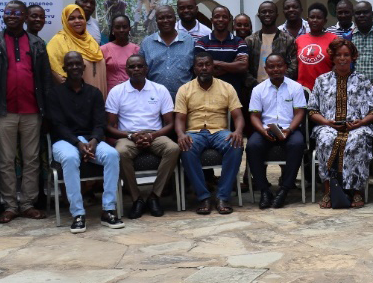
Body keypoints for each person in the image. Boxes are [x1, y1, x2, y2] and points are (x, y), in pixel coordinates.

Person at [0, 0, 52, 223]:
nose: (11, 16)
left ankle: (28, 204)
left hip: (32, 113)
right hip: (3, 113)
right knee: (6, 161)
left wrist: (47, 113)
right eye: (8, 12)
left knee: (32, 160)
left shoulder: (38, 44)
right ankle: (9, 205)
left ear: (25, 17)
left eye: (17, 13)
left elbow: (46, 81)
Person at [46, 51, 125, 232]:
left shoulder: (94, 93)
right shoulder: (55, 94)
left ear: (83, 67)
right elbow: (58, 125)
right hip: (64, 141)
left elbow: (100, 123)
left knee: (112, 154)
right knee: (71, 158)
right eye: (70, 64)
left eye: (78, 64)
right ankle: (78, 214)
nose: (74, 67)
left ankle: (108, 210)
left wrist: (94, 141)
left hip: (91, 141)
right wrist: (77, 144)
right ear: (64, 68)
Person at [105, 54, 180, 218]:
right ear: (126, 70)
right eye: (132, 67)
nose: (136, 69)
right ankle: (136, 198)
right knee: (120, 153)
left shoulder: (159, 89)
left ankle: (155, 196)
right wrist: (131, 135)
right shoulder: (117, 92)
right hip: (128, 136)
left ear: (146, 69)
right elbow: (109, 126)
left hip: (155, 134)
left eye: (140, 66)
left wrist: (152, 137)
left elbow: (170, 123)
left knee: (173, 148)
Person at [309, 38, 373, 208]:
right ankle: (328, 190)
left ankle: (357, 190)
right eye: (338, 55)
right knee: (326, 139)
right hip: (328, 126)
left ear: (353, 57)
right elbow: (312, 110)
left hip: (358, 127)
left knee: (356, 140)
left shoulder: (362, 80)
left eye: (346, 55)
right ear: (332, 57)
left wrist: (362, 122)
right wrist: (327, 122)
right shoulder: (321, 80)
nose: (342, 58)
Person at [175, 52, 245, 215]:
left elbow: (238, 116)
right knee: (186, 148)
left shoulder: (226, 87)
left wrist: (238, 131)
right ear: (194, 69)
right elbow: (179, 119)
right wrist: (181, 135)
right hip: (195, 133)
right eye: (200, 65)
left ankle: (222, 197)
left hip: (220, 132)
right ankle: (203, 197)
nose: (204, 68)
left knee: (235, 146)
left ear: (213, 67)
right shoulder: (184, 89)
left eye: (207, 64)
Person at [247, 54, 308, 209]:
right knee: (252, 146)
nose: (276, 69)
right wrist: (262, 131)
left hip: (289, 129)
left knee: (298, 144)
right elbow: (254, 116)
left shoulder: (296, 87)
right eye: (272, 67)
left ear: (285, 67)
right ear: (266, 69)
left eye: (279, 66)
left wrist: (289, 129)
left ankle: (284, 190)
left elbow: (300, 113)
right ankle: (264, 190)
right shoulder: (258, 89)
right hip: (266, 129)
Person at [47, 3, 107, 96]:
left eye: (80, 17)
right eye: (72, 18)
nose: (77, 21)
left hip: (97, 94)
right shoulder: (58, 41)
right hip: (75, 96)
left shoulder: (91, 41)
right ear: (65, 21)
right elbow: (57, 74)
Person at [195, 6, 249, 105]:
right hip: (208, 93)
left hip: (233, 93)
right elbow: (201, 69)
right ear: (212, 20)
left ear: (229, 20)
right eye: (217, 16)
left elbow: (242, 66)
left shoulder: (239, 42)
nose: (220, 19)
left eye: (224, 17)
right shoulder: (202, 42)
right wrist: (232, 64)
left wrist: (216, 63)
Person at [140, 5, 195, 99]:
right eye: (161, 18)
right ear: (156, 21)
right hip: (154, 98)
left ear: (175, 18)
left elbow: (195, 69)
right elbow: (142, 71)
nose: (166, 20)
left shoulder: (189, 41)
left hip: (185, 98)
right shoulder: (147, 42)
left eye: (169, 17)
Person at [246, 0, 298, 85]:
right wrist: (256, 85)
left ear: (277, 15)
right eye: (264, 12)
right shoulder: (250, 40)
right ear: (259, 16)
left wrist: (278, 82)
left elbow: (293, 66)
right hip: (255, 88)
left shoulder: (288, 39)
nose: (267, 14)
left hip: (282, 87)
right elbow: (245, 68)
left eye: (271, 12)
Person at [294, 3, 338, 90]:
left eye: (319, 18)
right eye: (312, 17)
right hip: (302, 89)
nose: (315, 20)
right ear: (307, 20)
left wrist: (329, 83)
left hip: (325, 88)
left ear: (325, 21)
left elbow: (337, 64)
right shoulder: (299, 40)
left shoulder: (333, 39)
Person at [101, 15, 140, 91]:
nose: (121, 30)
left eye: (124, 27)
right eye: (118, 27)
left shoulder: (136, 49)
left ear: (129, 29)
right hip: (111, 92)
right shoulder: (103, 50)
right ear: (112, 29)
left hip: (133, 91)